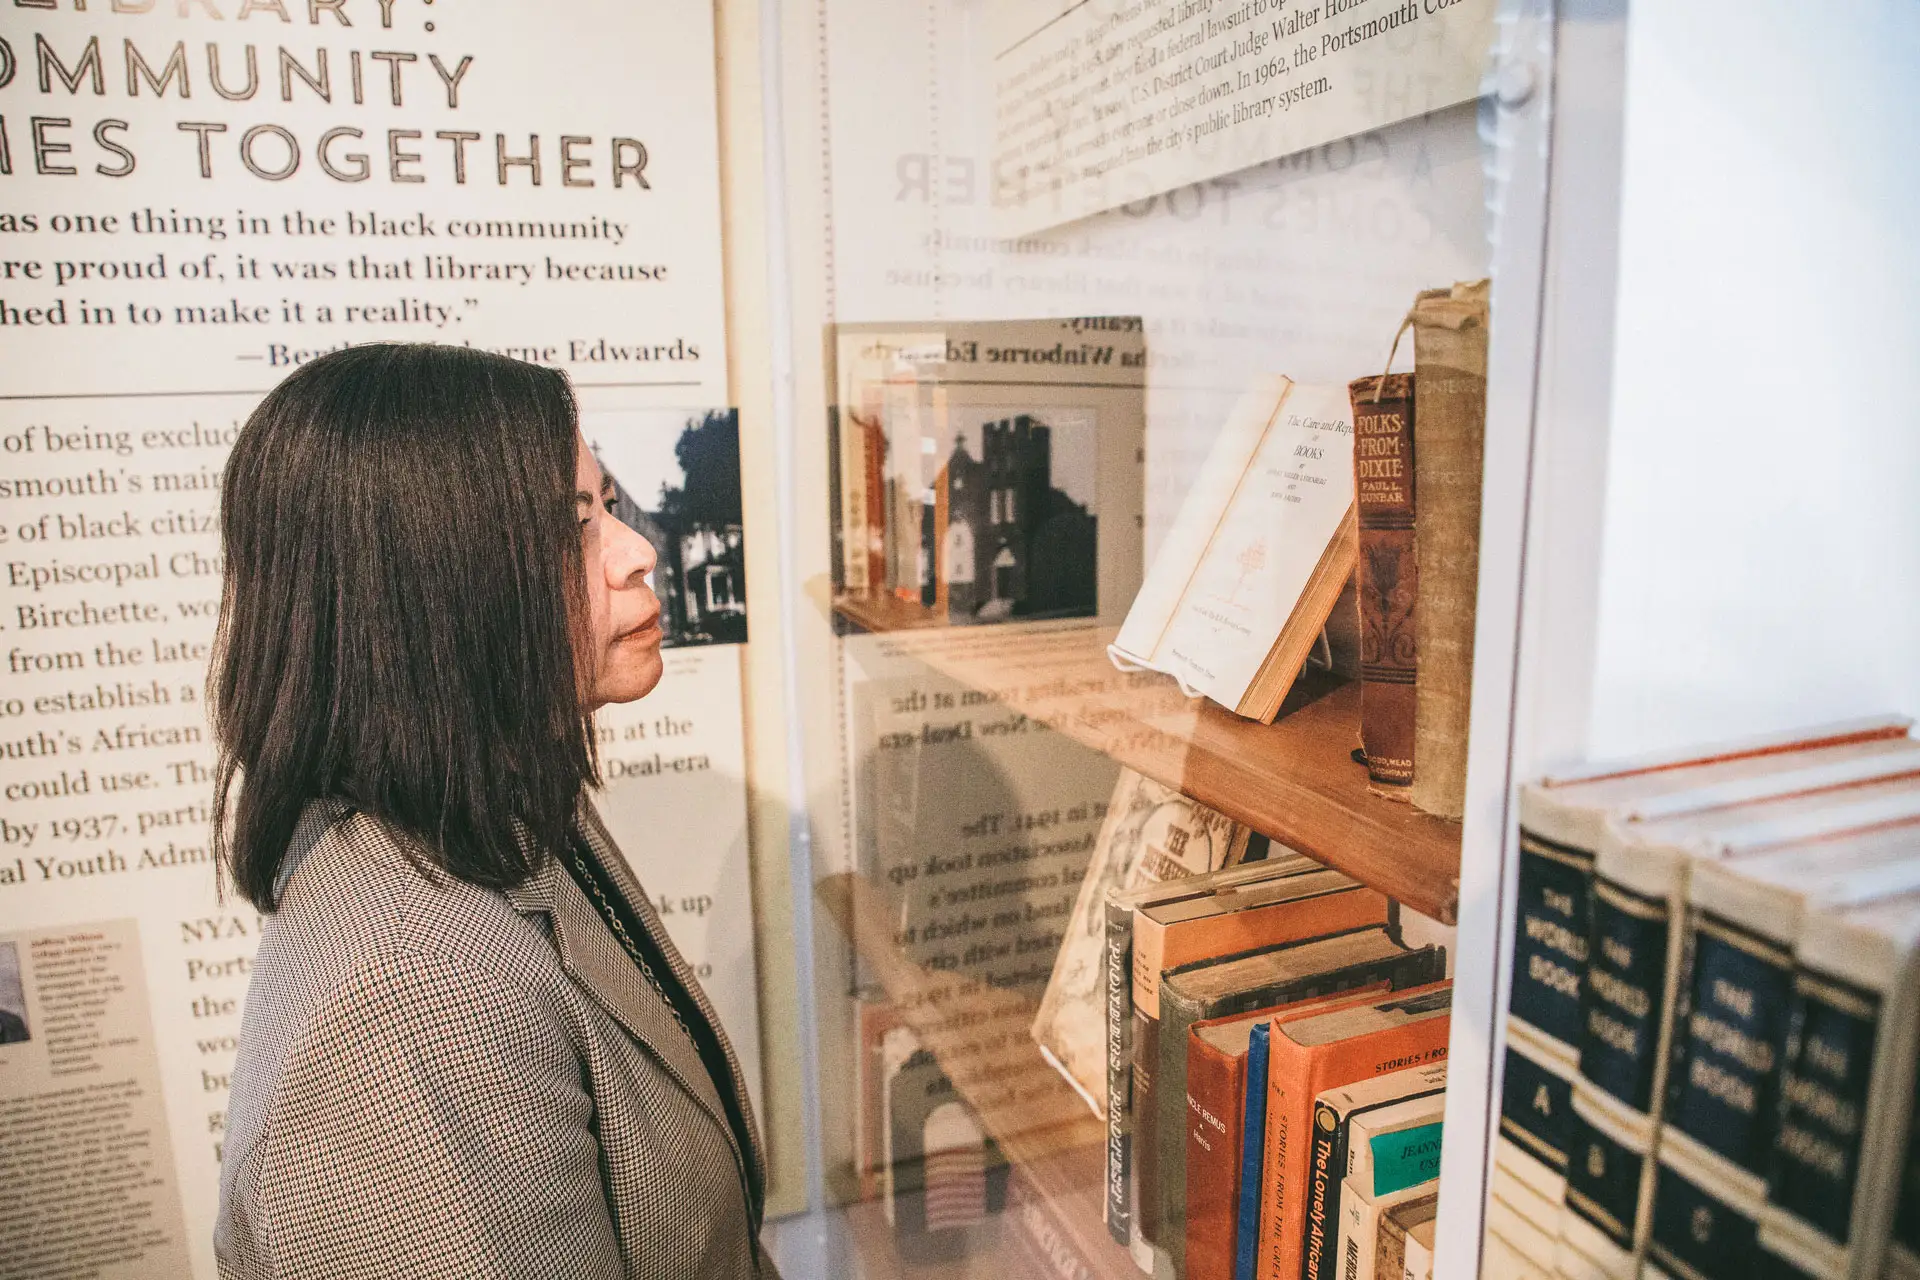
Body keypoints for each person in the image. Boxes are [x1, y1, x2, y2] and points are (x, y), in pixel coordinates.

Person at [211, 344, 773, 1279]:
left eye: (607, 507)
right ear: (427, 585)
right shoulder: (411, 995)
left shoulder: (499, 808)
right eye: (574, 525)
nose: (638, 554)